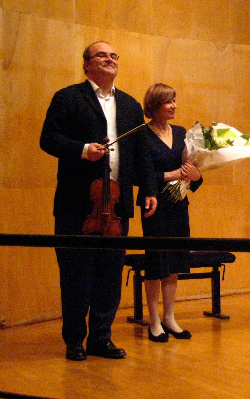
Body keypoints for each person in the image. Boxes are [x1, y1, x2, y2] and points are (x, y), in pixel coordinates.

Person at [40, 41, 158, 361]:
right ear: (87, 65)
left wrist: (148, 190)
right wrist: (83, 149)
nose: (109, 59)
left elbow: (142, 155)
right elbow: (48, 139)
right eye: (101, 55)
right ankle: (75, 340)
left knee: (109, 274)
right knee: (76, 273)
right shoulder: (68, 98)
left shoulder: (131, 106)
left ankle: (101, 338)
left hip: (117, 207)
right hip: (78, 204)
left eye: (114, 55)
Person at [138, 83, 203, 342]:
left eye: (175, 101)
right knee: (156, 262)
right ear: (154, 105)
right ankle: (153, 320)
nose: (174, 106)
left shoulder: (180, 132)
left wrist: (195, 175)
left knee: (174, 262)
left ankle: (170, 317)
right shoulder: (142, 134)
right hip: (154, 205)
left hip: (178, 204)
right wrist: (171, 175)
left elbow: (191, 171)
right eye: (168, 102)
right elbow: (139, 175)